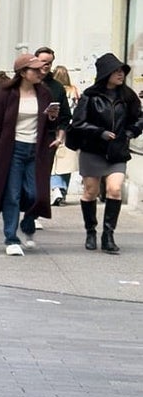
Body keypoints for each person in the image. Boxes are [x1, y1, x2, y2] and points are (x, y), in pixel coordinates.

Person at [0, 54, 59, 255]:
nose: (40, 72)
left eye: (41, 69)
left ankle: (28, 224)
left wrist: (51, 118)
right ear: (23, 73)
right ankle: (11, 238)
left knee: (36, 193)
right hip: (12, 150)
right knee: (12, 195)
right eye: (35, 70)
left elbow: (51, 124)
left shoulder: (44, 93)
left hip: (36, 149)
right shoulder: (7, 94)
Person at [67, 52, 142, 254]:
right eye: (116, 71)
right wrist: (99, 133)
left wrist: (128, 133)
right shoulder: (90, 96)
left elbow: (139, 119)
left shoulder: (128, 96)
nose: (120, 74)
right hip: (93, 150)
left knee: (115, 190)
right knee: (90, 192)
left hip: (117, 151)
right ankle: (90, 231)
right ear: (105, 73)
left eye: (122, 71)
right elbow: (78, 123)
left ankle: (108, 235)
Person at [47, 63, 77, 204]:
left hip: (57, 127)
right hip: (71, 129)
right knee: (67, 163)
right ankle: (62, 190)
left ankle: (56, 188)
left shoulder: (54, 90)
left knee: (56, 162)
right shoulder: (74, 91)